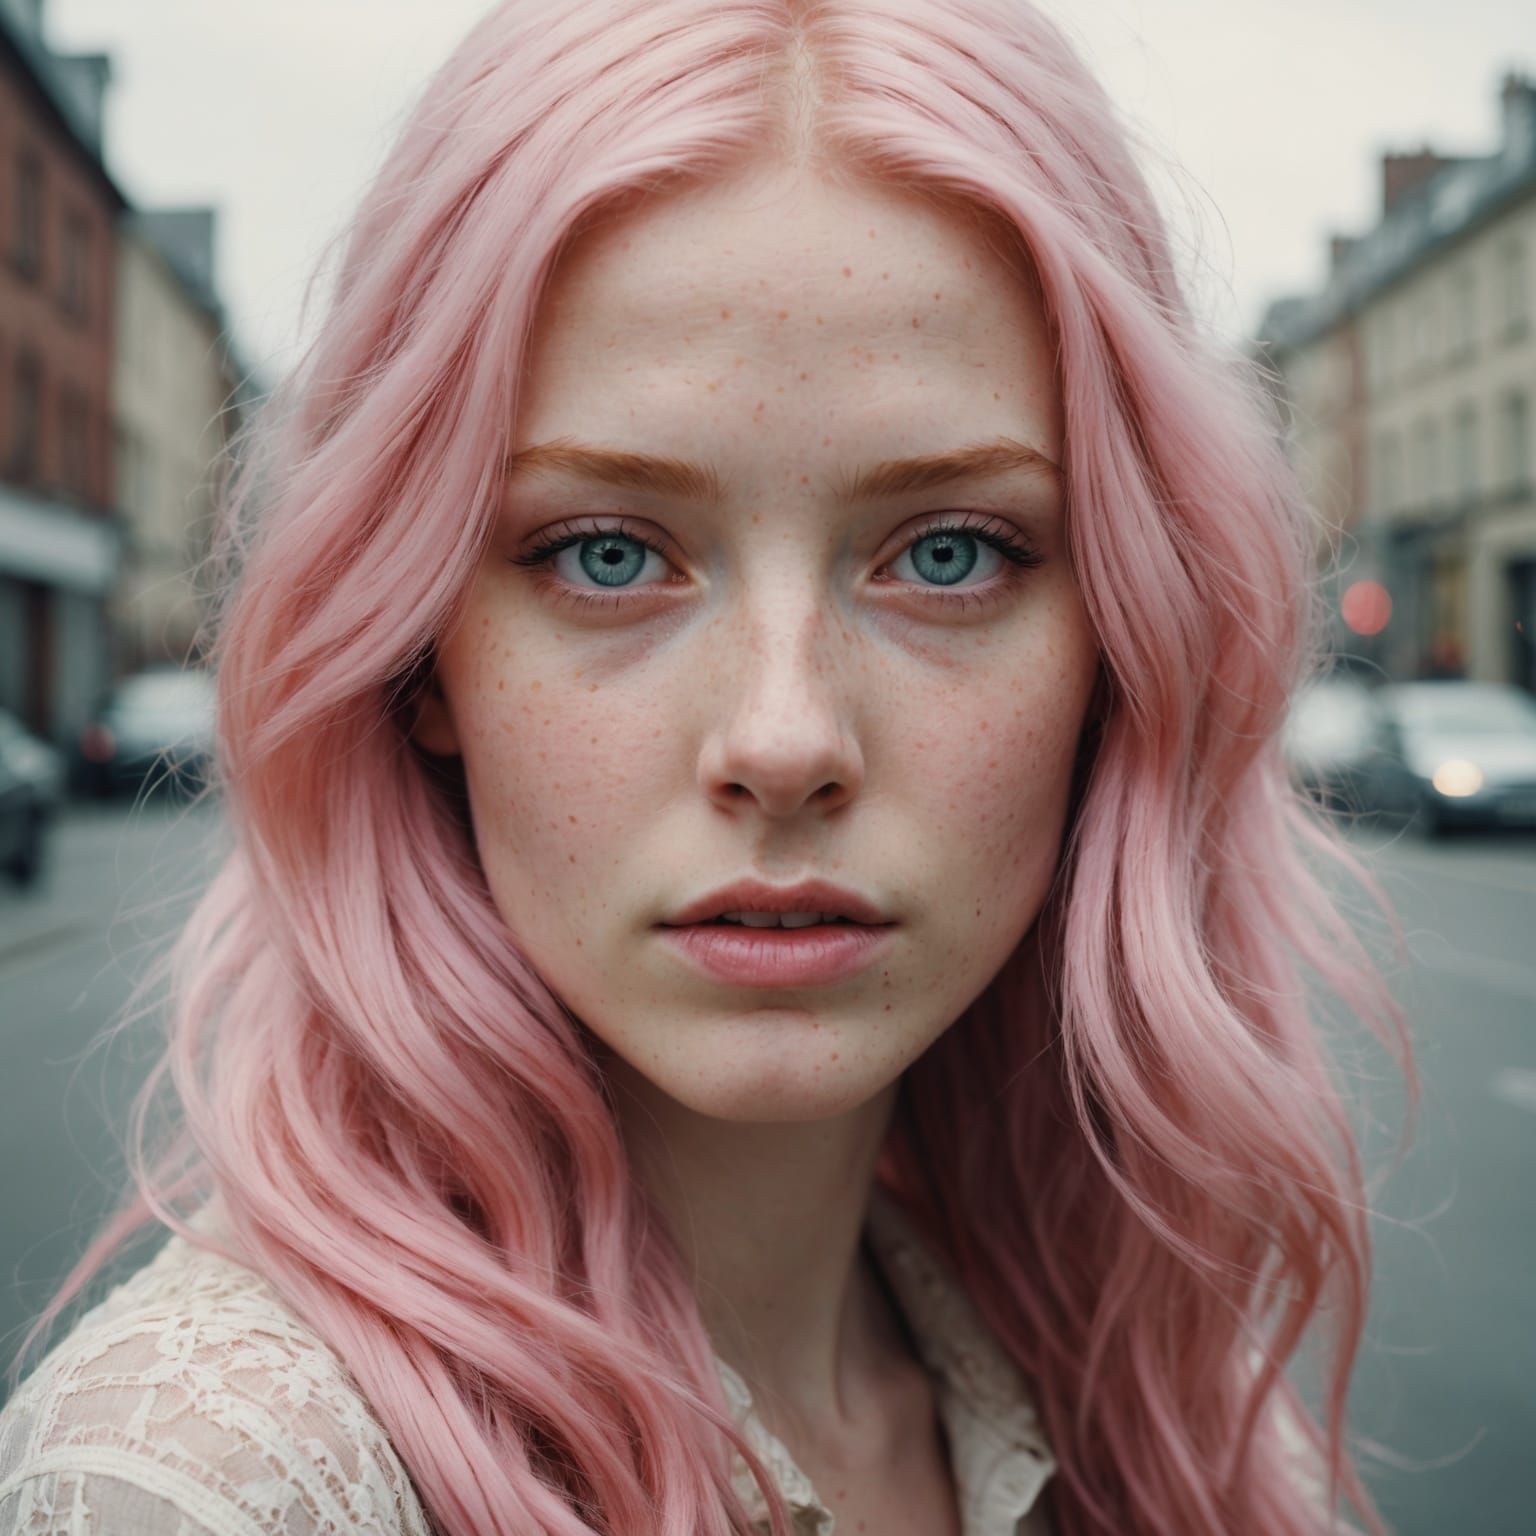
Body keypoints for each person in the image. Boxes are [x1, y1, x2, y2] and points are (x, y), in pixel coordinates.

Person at [0, 2, 1418, 1533]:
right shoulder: (220, 1487)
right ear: (418, 658)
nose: (786, 741)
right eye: (607, 554)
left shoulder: (1171, 1413)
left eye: (950, 553)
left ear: (1120, 649)